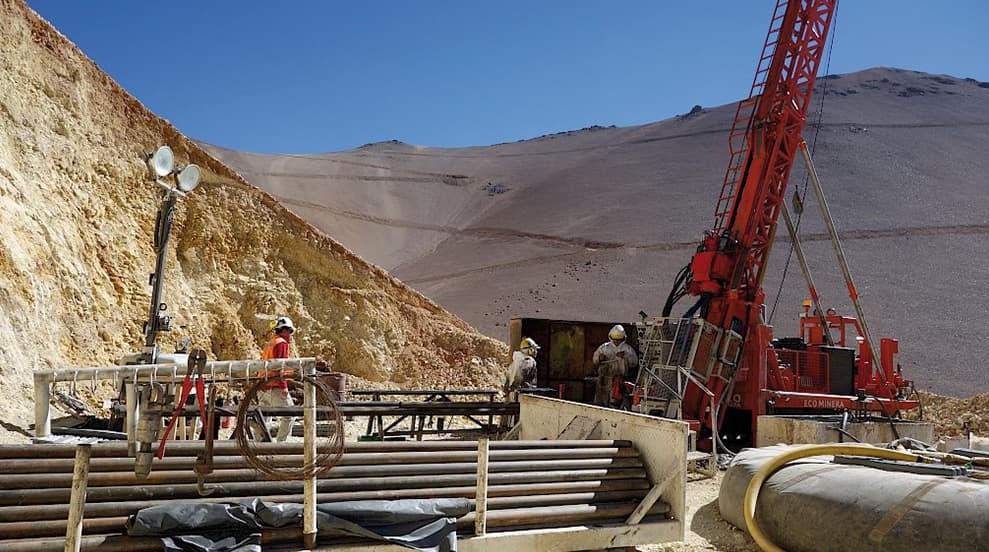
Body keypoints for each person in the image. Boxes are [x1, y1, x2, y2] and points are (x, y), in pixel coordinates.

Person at [256, 316, 296, 441]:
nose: (290, 335)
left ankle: (259, 445)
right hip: (274, 386)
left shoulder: (270, 342)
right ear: (284, 330)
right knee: (290, 414)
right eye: (290, 332)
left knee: (263, 417)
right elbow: (280, 367)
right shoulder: (281, 343)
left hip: (262, 386)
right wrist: (284, 386)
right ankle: (280, 444)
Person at [592, 325, 639, 407]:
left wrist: (625, 357)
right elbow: (595, 360)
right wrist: (599, 358)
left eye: (618, 339)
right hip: (604, 379)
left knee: (615, 402)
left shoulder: (627, 349)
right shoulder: (604, 348)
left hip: (619, 380)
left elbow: (634, 362)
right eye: (615, 338)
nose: (616, 341)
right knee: (600, 401)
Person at [504, 337, 539, 401]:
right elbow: (520, 375)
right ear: (529, 350)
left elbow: (506, 378)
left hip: (511, 396)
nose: (535, 351)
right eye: (534, 349)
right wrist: (514, 387)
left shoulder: (514, 361)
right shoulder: (528, 361)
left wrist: (507, 389)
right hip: (522, 396)